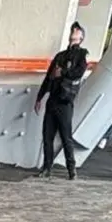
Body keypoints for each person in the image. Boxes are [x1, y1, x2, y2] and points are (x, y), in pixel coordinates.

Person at [34, 22, 88, 180]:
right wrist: (40, 97)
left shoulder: (81, 55)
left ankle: (71, 169)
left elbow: (79, 73)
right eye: (73, 30)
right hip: (53, 99)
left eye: (77, 31)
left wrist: (63, 72)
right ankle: (47, 167)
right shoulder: (60, 56)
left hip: (65, 102)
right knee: (47, 135)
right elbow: (48, 78)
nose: (74, 31)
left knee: (66, 136)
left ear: (81, 37)